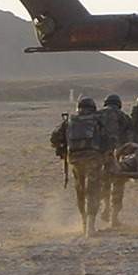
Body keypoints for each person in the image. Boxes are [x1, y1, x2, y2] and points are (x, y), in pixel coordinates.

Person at [50, 96, 106, 238]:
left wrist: (62, 151)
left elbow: (55, 138)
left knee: (80, 191)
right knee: (93, 191)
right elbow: (108, 138)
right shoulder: (97, 120)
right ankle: (91, 226)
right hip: (93, 159)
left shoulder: (70, 121)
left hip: (75, 159)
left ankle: (84, 224)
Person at [99, 93, 134, 228]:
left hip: (99, 155)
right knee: (118, 183)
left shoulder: (97, 115)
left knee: (104, 183)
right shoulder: (123, 116)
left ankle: (105, 206)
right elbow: (130, 137)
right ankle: (114, 217)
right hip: (116, 154)